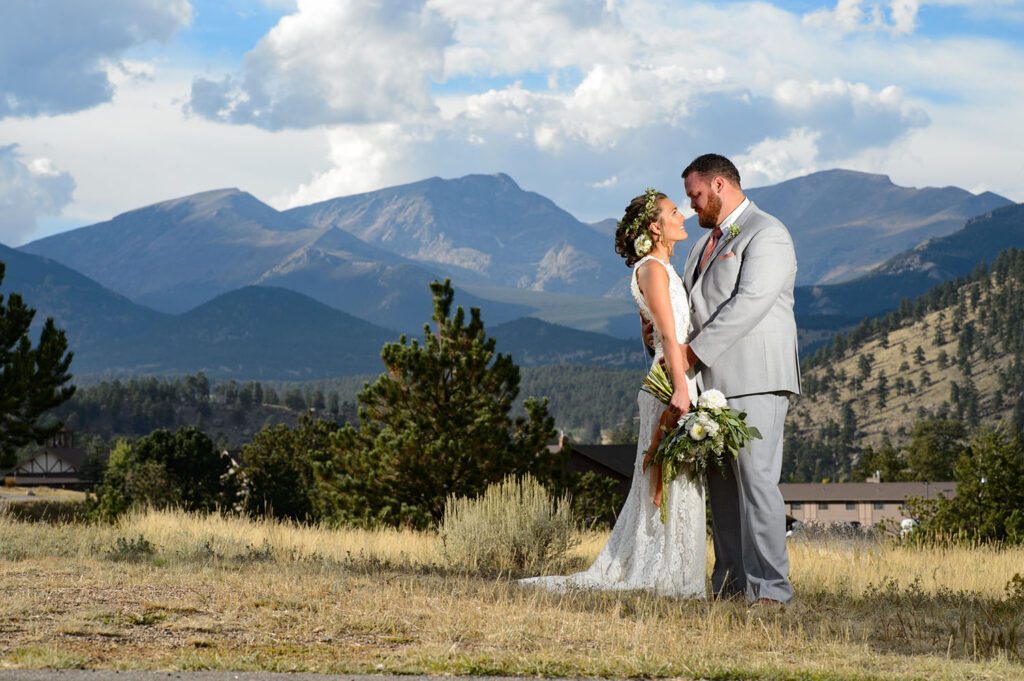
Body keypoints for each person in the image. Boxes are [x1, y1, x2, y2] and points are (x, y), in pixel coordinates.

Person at [519, 188, 705, 597]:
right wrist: (680, 388)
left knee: (679, 477)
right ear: (656, 227)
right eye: (675, 212)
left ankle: (678, 573)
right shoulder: (652, 270)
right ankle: (662, 575)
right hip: (669, 383)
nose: (684, 217)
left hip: (678, 377)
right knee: (664, 475)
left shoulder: (660, 268)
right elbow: (669, 334)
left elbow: (655, 329)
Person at [678, 153, 801, 606]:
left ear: (719, 185)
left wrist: (691, 353)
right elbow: (692, 308)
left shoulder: (768, 233)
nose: (691, 205)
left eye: (695, 195)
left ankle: (770, 589)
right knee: (723, 491)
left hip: (757, 377)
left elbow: (749, 303)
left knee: (757, 484)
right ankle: (730, 585)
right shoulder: (701, 246)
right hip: (708, 387)